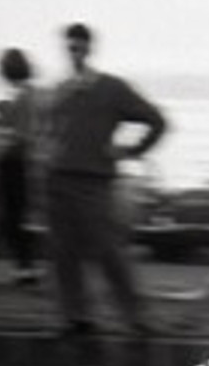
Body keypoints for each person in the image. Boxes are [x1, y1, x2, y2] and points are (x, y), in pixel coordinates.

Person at [46, 22, 167, 340]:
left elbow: (157, 121)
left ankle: (135, 317)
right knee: (64, 253)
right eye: (70, 47)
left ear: (90, 48)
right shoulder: (60, 90)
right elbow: (46, 130)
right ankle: (76, 319)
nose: (75, 53)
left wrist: (129, 150)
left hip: (94, 182)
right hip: (57, 179)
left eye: (80, 46)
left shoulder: (112, 88)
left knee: (109, 250)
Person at [0, 48, 43, 285]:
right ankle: (24, 267)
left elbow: (22, 133)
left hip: (16, 160)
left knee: (13, 216)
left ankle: (24, 268)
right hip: (20, 159)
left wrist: (1, 138)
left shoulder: (23, 96)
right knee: (16, 215)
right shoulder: (26, 93)